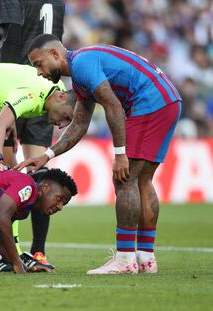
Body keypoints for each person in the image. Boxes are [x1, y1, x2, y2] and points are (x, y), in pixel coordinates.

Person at [16, 34, 182, 275]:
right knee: (142, 180)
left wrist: (120, 154)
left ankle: (125, 260)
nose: (39, 72)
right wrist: (48, 155)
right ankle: (146, 258)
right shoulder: (83, 73)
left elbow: (112, 105)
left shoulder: (83, 64)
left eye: (38, 64)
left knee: (124, 179)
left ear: (55, 54)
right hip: (167, 100)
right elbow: (79, 125)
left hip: (150, 102)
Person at [0, 0, 65, 266]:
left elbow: (10, 35)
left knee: (8, 171)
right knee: (37, 172)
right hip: (48, 85)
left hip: (16, 84)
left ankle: (3, 249)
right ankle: (38, 250)